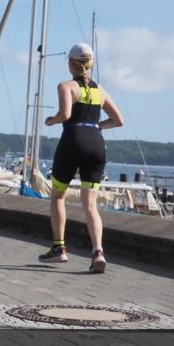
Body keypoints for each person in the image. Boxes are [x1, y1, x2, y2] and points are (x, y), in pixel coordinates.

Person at [39, 43, 123, 273]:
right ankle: (98, 252)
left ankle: (59, 249)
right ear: (90, 64)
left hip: (73, 140)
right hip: (96, 143)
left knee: (57, 196)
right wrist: (96, 126)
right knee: (90, 205)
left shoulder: (66, 86)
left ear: (71, 64)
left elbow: (65, 114)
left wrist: (51, 120)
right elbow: (118, 120)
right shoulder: (100, 90)